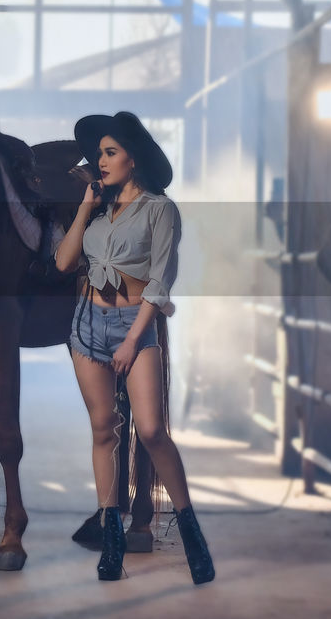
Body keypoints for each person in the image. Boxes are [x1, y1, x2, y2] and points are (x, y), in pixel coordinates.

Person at [54, 112, 215, 584]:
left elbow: (160, 281)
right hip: (86, 325)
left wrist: (131, 338)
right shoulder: (100, 214)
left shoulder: (160, 209)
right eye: (98, 154)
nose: (99, 162)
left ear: (133, 158)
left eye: (109, 153)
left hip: (134, 326)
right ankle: (112, 541)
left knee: (149, 431)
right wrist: (86, 205)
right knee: (103, 430)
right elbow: (65, 262)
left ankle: (191, 535)